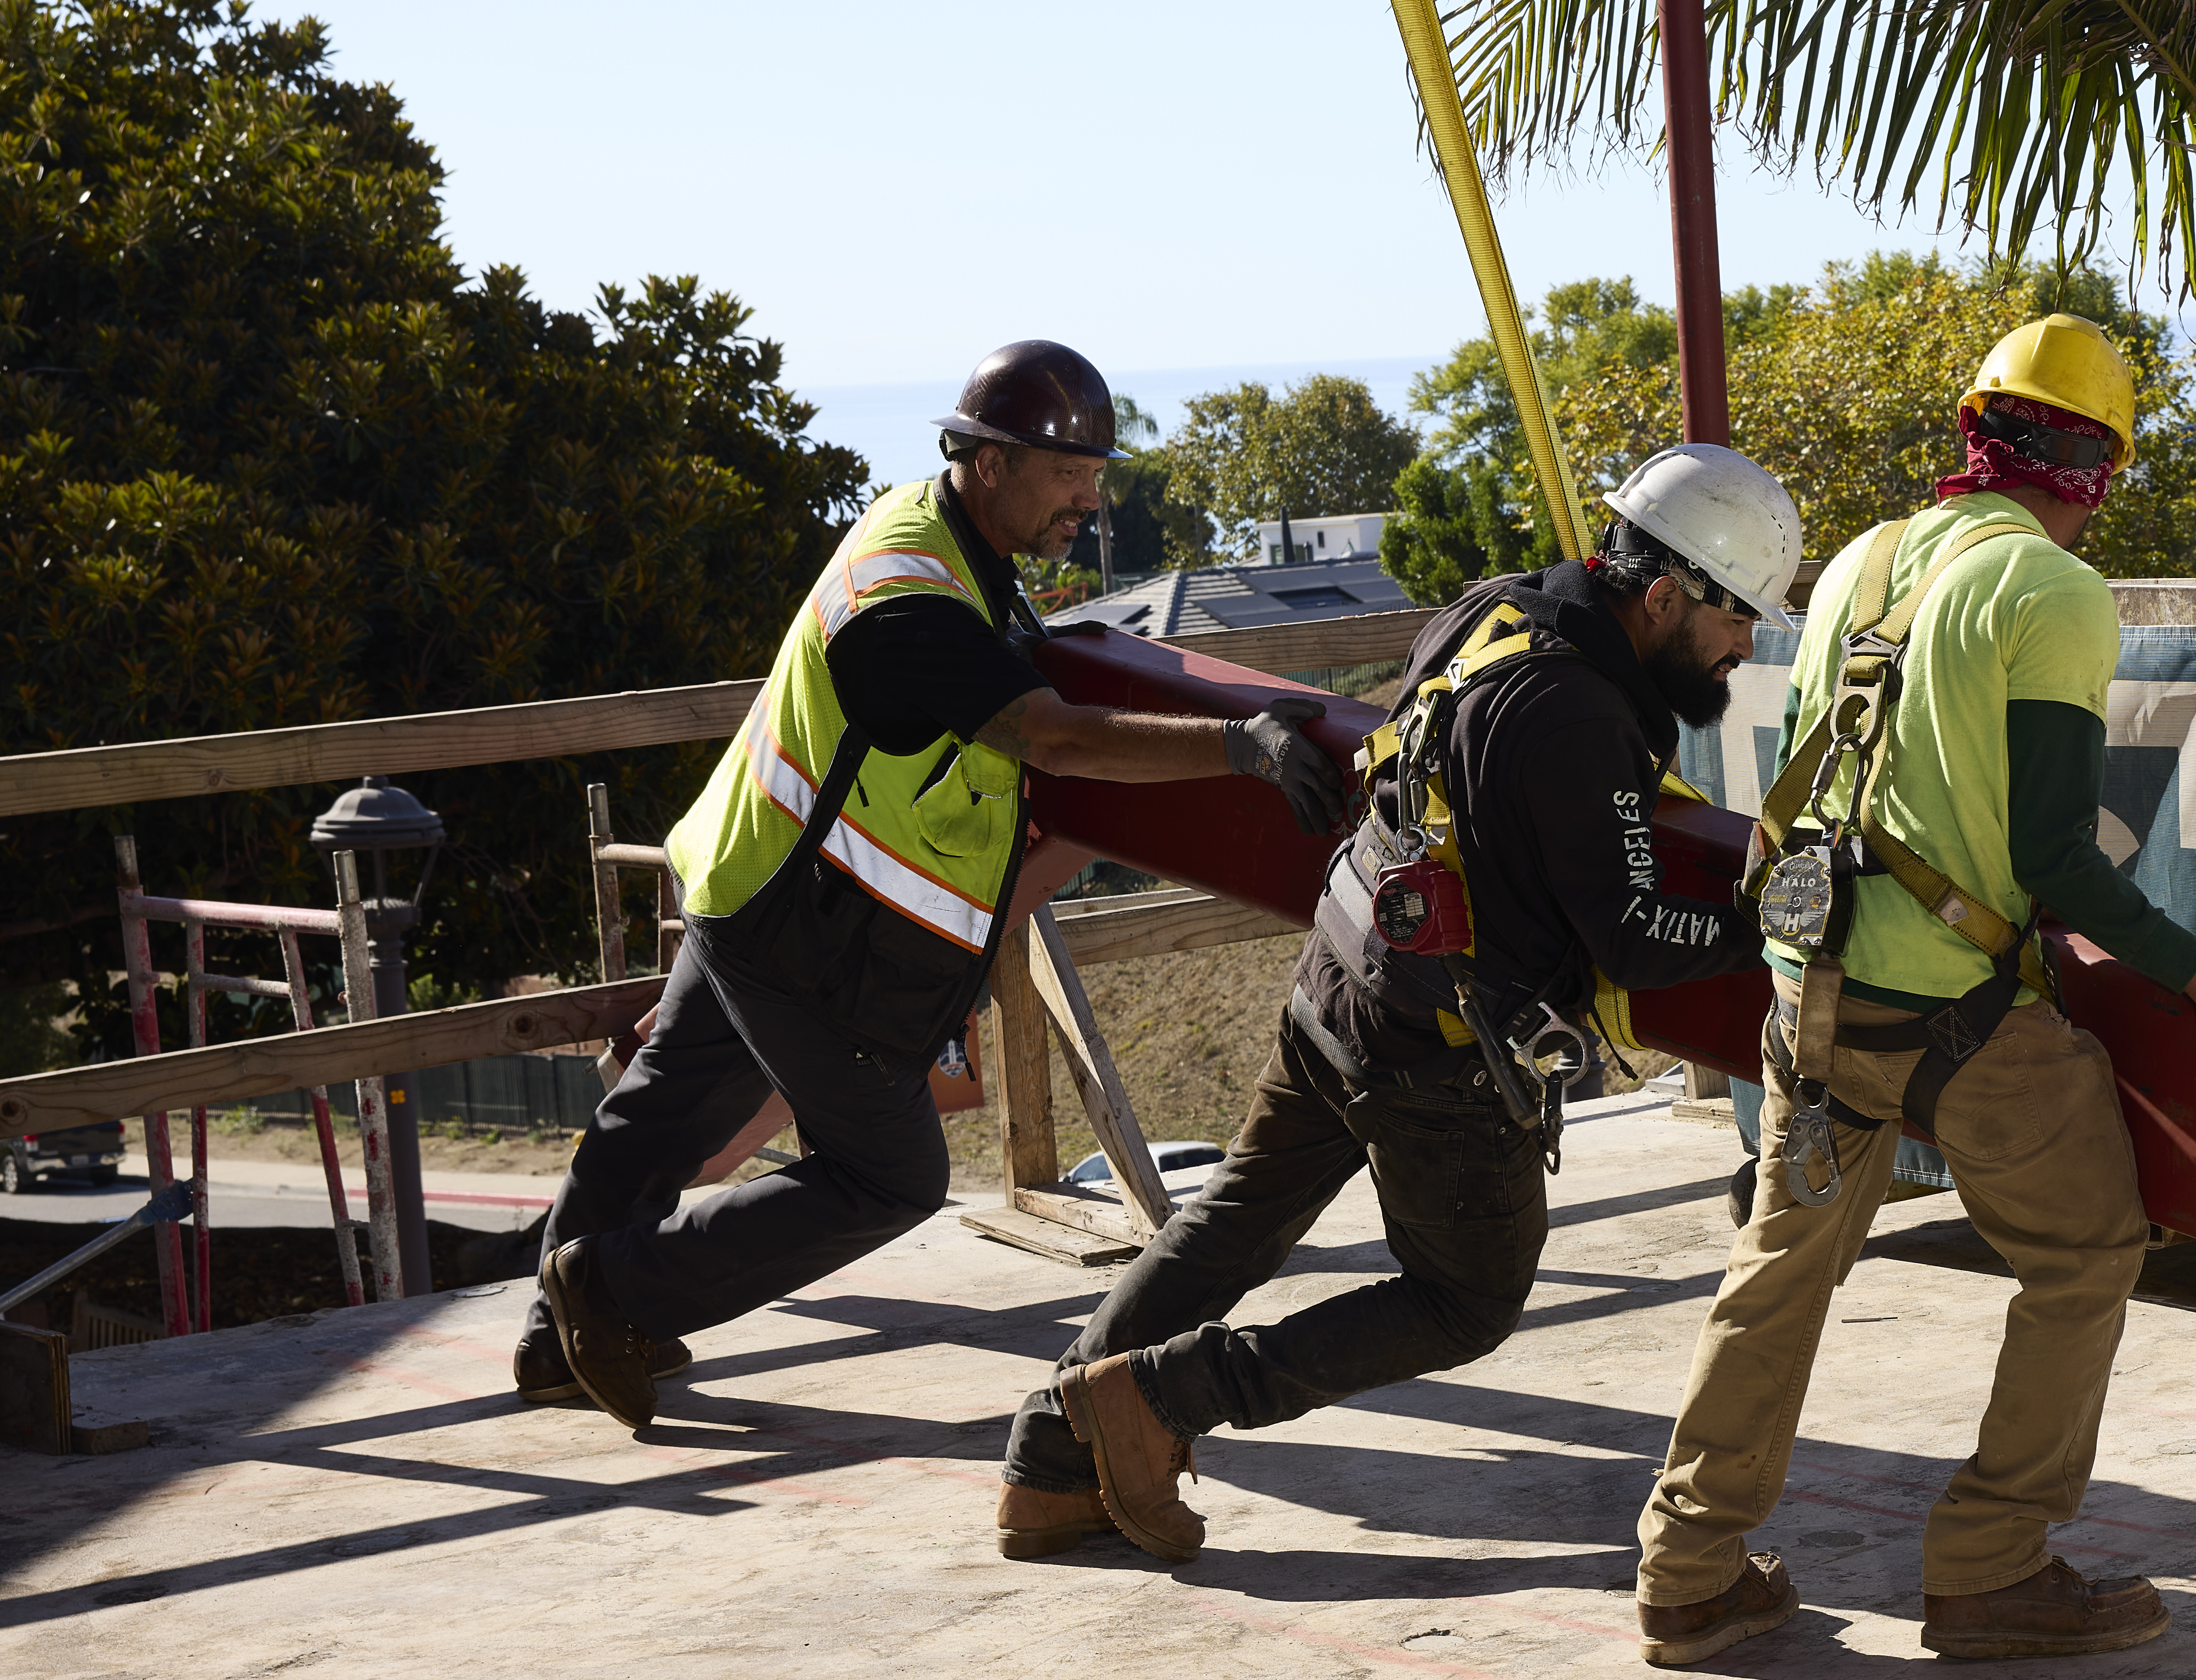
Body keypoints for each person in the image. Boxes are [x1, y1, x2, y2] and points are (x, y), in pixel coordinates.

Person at [1625, 316, 2196, 1668]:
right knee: (2088, 1249)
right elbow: (2056, 856)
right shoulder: (2051, 594)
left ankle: (1688, 1570)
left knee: (1778, 1273)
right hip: (1956, 1020)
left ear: (1975, 432)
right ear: (2098, 464)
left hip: (1809, 1000)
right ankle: (1991, 1563)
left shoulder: (1863, 563)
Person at [999, 447, 1800, 1563]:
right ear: (1663, 594)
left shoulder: (1501, 610)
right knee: (1462, 1298)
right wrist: (1775, 923)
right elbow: (1630, 938)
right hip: (1435, 1044)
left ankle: (1050, 1459)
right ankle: (1160, 1397)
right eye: (1734, 616)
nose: (1745, 645)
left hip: (1344, 975)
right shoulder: (1579, 714)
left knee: (1235, 1217)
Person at [524, 342, 1344, 1426]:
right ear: (990, 460)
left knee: (669, 1105)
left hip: (751, 872)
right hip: (801, 920)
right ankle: (612, 1290)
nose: (1089, 498)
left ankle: (552, 1339)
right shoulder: (913, 598)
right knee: (889, 1174)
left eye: (1096, 471)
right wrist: (1237, 747)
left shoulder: (937, 530)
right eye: (1067, 473)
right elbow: (1048, 737)